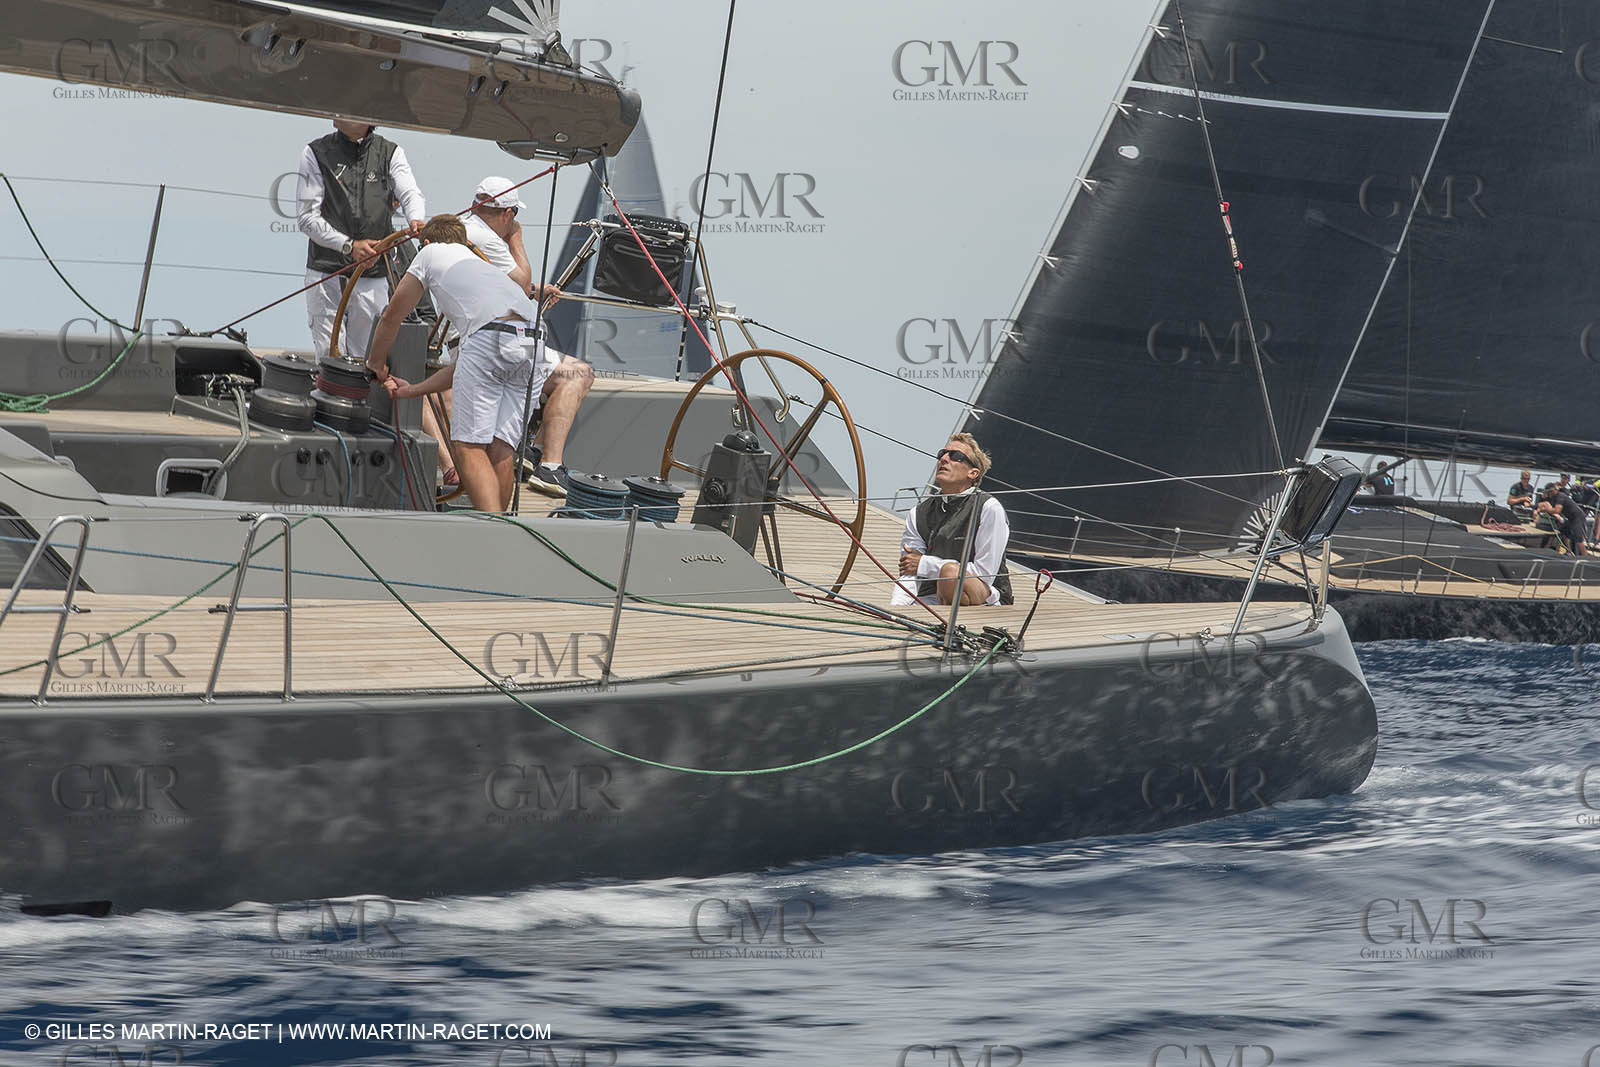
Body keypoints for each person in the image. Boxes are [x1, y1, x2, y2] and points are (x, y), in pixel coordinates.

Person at [364, 215, 555, 513]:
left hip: (490, 336)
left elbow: (392, 316)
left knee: (468, 446)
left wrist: (376, 362)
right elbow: (467, 365)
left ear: (426, 242)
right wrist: (413, 391)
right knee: (502, 446)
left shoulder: (428, 253)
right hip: (534, 341)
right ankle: (504, 526)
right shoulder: (484, 269)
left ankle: (492, 529)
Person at [465, 176, 594, 499]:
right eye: (514, 217)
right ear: (507, 214)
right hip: (499, 345)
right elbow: (521, 282)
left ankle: (533, 455)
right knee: (578, 373)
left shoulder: (461, 230)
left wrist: (536, 292)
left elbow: (493, 283)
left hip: (471, 338)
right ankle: (549, 464)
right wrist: (517, 240)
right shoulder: (491, 238)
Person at [296, 120, 426, 361]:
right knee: (328, 355)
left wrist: (416, 219)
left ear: (368, 119)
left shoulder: (391, 152)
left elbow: (409, 193)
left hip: (373, 275)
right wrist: (348, 246)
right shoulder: (315, 152)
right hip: (326, 272)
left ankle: (361, 400)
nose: (336, 112)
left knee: (365, 355)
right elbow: (307, 218)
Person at [892, 434, 1014, 607]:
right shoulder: (918, 513)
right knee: (946, 575)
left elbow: (984, 573)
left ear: (973, 473)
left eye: (955, 456)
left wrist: (925, 564)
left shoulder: (988, 508)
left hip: (985, 597)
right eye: (942, 453)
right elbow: (909, 570)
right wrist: (896, 609)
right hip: (932, 598)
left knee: (950, 574)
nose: (943, 458)